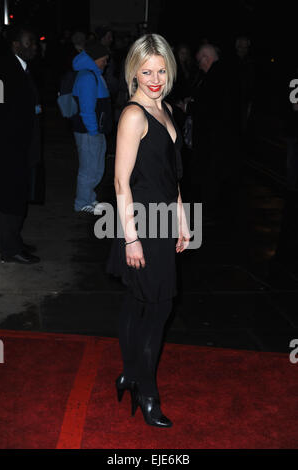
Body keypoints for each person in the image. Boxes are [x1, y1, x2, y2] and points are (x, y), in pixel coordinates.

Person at [106, 33, 190, 427]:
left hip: (164, 219)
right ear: (133, 72)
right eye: (146, 72)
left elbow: (171, 175)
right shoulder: (134, 114)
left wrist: (184, 218)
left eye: (160, 70)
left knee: (140, 303)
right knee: (158, 308)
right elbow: (121, 182)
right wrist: (131, 238)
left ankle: (127, 372)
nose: (154, 79)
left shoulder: (166, 108)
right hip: (140, 222)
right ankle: (147, 392)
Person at [0, 26, 41, 264]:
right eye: (29, 42)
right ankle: (9, 249)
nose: (34, 46)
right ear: (16, 45)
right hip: (9, 148)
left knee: (18, 196)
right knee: (11, 198)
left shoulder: (21, 68)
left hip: (21, 146)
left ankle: (11, 240)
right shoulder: (4, 70)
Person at [191, 44, 240, 224]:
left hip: (214, 136)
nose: (199, 65)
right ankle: (212, 208)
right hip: (221, 135)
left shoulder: (216, 77)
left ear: (206, 58)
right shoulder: (226, 73)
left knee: (211, 173)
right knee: (216, 173)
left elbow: (208, 107)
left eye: (200, 61)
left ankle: (208, 211)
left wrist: (190, 106)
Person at [71, 40, 112, 214]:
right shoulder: (88, 77)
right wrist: (93, 131)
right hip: (89, 132)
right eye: (104, 59)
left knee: (96, 167)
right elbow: (87, 109)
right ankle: (81, 203)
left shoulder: (94, 74)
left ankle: (89, 198)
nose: (106, 62)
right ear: (95, 59)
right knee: (88, 168)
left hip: (95, 130)